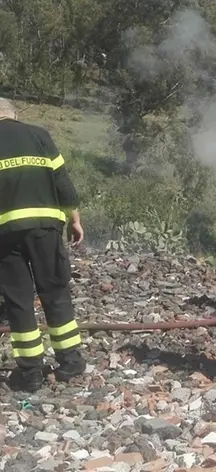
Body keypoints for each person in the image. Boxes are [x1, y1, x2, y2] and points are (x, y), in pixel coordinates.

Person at [0, 98, 86, 392]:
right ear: (15, 115)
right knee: (55, 292)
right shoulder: (39, 135)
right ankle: (70, 361)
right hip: (46, 228)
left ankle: (31, 372)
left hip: (5, 234)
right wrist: (74, 219)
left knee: (18, 300)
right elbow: (63, 182)